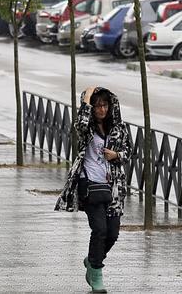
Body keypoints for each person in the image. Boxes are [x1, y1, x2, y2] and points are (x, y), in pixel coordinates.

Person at [55, 86, 131, 293]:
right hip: (89, 186)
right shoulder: (87, 127)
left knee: (112, 234)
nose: (101, 110)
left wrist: (116, 156)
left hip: (114, 188)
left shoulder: (119, 128)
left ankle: (92, 260)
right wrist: (86, 100)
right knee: (100, 230)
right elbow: (79, 124)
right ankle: (96, 274)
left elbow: (130, 152)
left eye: (104, 105)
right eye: (97, 106)